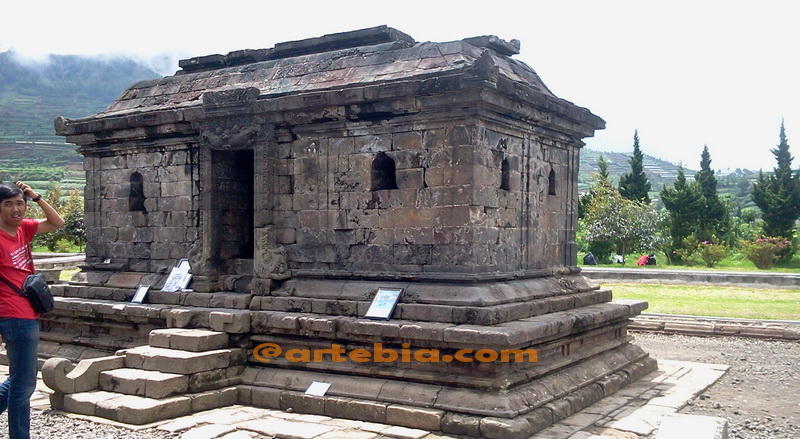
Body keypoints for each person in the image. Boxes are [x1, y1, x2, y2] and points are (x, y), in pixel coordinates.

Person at [0, 181, 64, 439]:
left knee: (19, 378)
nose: (17, 209)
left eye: (20, 203)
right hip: (13, 314)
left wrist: (36, 196)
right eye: (8, 204)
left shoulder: (23, 229)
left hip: (28, 310)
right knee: (24, 385)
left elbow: (57, 222)